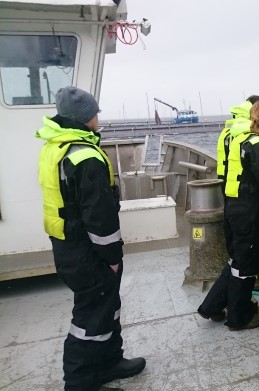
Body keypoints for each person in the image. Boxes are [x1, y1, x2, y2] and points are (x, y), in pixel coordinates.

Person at [35, 87, 146, 391]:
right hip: (89, 253)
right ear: (86, 117)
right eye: (96, 112)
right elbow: (99, 217)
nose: (99, 116)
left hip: (69, 246)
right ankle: (80, 382)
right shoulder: (85, 156)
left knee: (107, 307)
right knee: (90, 318)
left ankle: (109, 362)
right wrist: (111, 257)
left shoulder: (57, 147)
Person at [198, 100, 259, 330]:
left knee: (238, 262)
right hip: (250, 213)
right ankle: (239, 317)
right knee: (246, 267)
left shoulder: (241, 139)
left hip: (234, 207)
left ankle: (212, 306)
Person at [215, 95, 259, 294]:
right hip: (247, 201)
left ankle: (213, 305)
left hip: (231, 194)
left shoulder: (230, 131)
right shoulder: (252, 138)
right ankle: (239, 309)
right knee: (243, 258)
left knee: (239, 256)